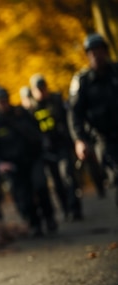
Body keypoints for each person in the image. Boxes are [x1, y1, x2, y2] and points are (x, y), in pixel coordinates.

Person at [0, 86, 57, 236]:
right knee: (25, 197)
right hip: (14, 167)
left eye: (5, 100)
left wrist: (43, 145)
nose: (3, 104)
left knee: (41, 186)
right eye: (0, 101)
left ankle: (49, 217)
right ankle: (34, 223)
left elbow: (38, 131)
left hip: (33, 159)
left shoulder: (22, 114)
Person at [69, 33, 118, 207]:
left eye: (99, 50)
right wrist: (79, 140)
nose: (96, 55)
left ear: (105, 51)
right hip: (102, 138)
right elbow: (75, 114)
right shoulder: (82, 81)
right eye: (92, 52)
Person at [28, 74, 83, 220]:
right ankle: (65, 209)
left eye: (42, 88)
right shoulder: (30, 110)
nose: (41, 92)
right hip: (46, 151)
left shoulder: (57, 100)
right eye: (37, 89)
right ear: (32, 91)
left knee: (68, 176)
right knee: (56, 182)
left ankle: (75, 209)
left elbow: (69, 120)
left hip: (61, 146)